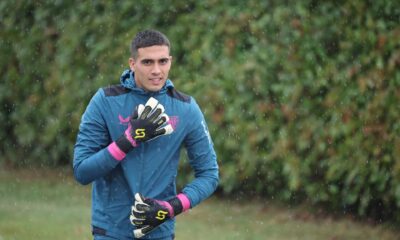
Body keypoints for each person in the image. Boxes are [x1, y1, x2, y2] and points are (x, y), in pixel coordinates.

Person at [73, 29, 219, 240]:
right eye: (148, 62)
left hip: (159, 233)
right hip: (111, 232)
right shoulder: (104, 101)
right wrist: (128, 140)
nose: (157, 70)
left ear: (171, 61)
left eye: (163, 61)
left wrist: (171, 208)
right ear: (132, 64)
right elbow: (82, 171)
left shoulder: (186, 108)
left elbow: (209, 174)